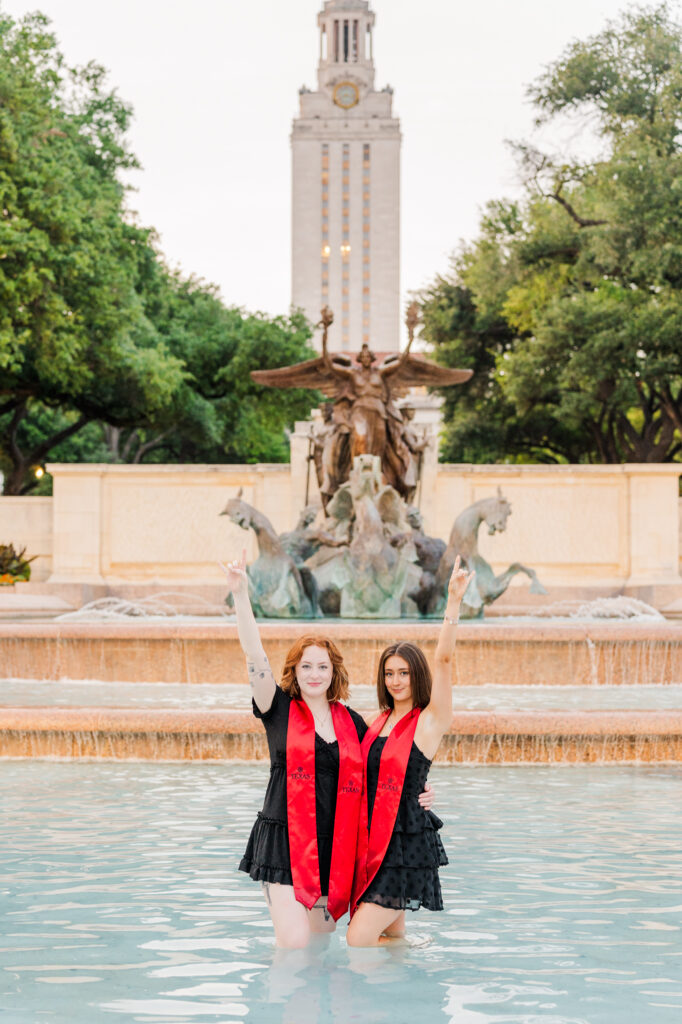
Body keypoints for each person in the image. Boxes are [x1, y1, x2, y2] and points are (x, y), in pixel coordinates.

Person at [220, 551, 435, 949]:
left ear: (333, 672)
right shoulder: (277, 709)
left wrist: (420, 791)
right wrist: (241, 594)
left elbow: (387, 764)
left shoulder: (351, 722)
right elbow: (254, 655)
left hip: (332, 848)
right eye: (306, 667)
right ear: (294, 672)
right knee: (296, 944)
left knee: (321, 945)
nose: (314, 674)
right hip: (284, 842)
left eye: (322, 667)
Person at [346, 556, 474, 947]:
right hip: (372, 843)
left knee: (357, 939)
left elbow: (445, 659)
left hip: (406, 846)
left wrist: (453, 603)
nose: (396, 680)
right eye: (389, 673)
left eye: (403, 672)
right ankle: (401, 999)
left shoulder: (430, 721)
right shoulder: (375, 721)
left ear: (416, 674)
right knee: (391, 936)